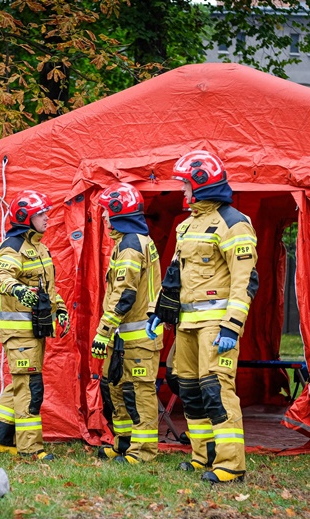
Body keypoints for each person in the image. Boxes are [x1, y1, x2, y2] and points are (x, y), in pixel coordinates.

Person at [147, 150, 259, 483]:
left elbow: (244, 281)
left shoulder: (235, 224)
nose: (182, 189)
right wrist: (159, 311)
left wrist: (232, 327)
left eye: (185, 183)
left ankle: (230, 464)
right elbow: (175, 276)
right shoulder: (187, 225)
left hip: (216, 324)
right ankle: (203, 456)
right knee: (190, 390)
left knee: (216, 390)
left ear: (201, 184)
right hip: (187, 323)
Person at [0, 189, 70, 461]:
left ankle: (1, 441)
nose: (47, 218)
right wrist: (18, 290)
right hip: (19, 333)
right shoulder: (12, 247)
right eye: (41, 214)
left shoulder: (39, 248)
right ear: (25, 217)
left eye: (46, 213)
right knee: (30, 388)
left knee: (19, 383)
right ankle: (30, 449)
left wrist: (60, 309)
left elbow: (48, 289)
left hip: (34, 331)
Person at [92, 182, 163, 464]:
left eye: (106, 211)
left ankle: (142, 451)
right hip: (125, 335)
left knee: (139, 392)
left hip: (138, 336)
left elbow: (123, 295)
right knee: (116, 387)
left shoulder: (131, 246)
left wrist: (103, 332)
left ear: (119, 211)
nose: (103, 216)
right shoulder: (127, 241)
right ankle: (123, 443)